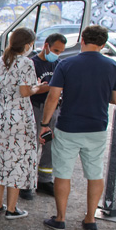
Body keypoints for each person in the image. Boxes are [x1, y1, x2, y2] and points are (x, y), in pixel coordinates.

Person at [39, 25, 116, 230]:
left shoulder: (67, 65)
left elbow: (52, 97)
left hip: (68, 126)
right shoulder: (113, 67)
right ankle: (90, 219)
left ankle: (60, 218)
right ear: (103, 45)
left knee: (62, 174)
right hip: (96, 126)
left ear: (82, 40)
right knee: (95, 174)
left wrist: (44, 124)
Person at [0, 28, 50, 219]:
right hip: (20, 117)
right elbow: (24, 92)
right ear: (28, 44)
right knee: (17, 161)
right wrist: (39, 87)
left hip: (1, 114)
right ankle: (12, 209)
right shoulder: (26, 63)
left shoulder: (3, 59)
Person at [21, 33, 68, 199]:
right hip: (35, 107)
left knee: (50, 145)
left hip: (54, 109)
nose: (57, 54)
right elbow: (28, 89)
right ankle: (26, 182)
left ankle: (44, 180)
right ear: (46, 45)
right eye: (55, 50)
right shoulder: (32, 63)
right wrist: (50, 87)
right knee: (32, 145)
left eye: (60, 51)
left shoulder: (58, 64)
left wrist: (51, 88)